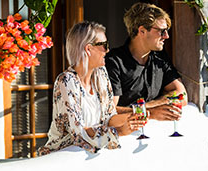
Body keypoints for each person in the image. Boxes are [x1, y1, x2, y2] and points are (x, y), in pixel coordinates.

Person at [38, 21, 145, 155]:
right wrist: (119, 131)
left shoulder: (101, 74)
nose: (107, 50)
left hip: (90, 157)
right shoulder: (66, 81)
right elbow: (79, 133)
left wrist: (130, 119)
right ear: (88, 49)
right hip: (64, 158)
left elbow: (109, 117)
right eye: (104, 45)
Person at [105, 2, 187, 121]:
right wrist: (150, 111)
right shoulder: (114, 62)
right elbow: (109, 111)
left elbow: (182, 95)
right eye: (161, 31)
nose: (166, 36)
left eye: (167, 30)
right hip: (124, 136)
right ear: (142, 31)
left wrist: (148, 107)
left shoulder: (160, 58)